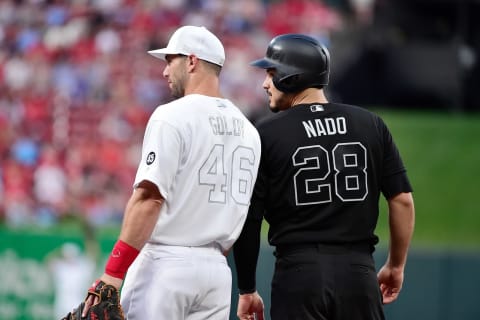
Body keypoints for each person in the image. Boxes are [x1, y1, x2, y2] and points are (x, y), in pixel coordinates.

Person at [81, 25, 261, 319]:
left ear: (192, 61)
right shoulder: (249, 130)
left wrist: (113, 272)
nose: (165, 72)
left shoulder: (172, 115)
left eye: (170, 61)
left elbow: (149, 198)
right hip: (216, 272)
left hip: (166, 264)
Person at [233, 34, 415, 320]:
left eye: (271, 74)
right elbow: (402, 200)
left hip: (299, 276)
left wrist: (246, 289)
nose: (265, 84)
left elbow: (250, 219)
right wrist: (395, 266)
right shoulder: (370, 124)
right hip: (359, 275)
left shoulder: (265, 134)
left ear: (290, 76)